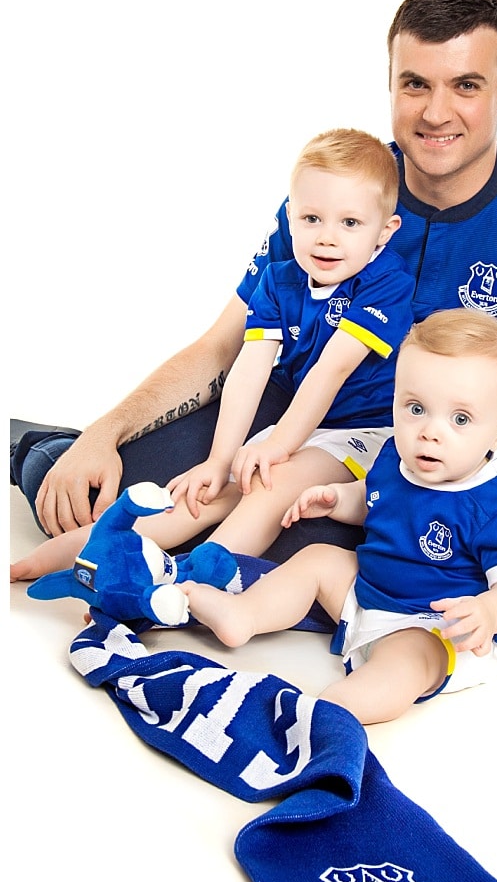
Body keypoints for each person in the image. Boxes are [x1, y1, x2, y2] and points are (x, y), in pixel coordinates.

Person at [11, 0, 497, 662]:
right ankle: (42, 447)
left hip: (400, 463)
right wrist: (103, 433)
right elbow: (228, 344)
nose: (437, 112)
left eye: (465, 85)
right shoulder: (343, 191)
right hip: (276, 413)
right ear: (391, 82)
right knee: (93, 500)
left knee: (309, 555)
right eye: (415, 84)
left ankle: (190, 578)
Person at [11, 129, 411, 582]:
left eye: (350, 224)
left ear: (385, 231)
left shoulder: (386, 285)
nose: (326, 239)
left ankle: (187, 585)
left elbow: (330, 371)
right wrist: (219, 462)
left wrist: (276, 447)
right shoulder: (281, 281)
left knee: (268, 485)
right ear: (290, 216)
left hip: (366, 432)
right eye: (311, 218)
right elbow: (250, 366)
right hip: (305, 422)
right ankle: (54, 559)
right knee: (201, 495)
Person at [181, 310, 497, 724]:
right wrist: (338, 499)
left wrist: (489, 613)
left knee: (410, 659)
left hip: (433, 625)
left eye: (460, 419)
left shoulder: (495, 504)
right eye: (416, 408)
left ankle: (336, 709)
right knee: (320, 558)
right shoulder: (396, 456)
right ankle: (243, 614)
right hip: (367, 596)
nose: (429, 431)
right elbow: (376, 501)